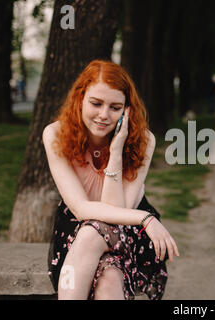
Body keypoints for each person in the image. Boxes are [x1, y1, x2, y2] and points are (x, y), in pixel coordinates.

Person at [43, 60, 179, 300]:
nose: (104, 115)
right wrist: (145, 218)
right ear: (80, 99)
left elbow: (116, 214)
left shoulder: (144, 141)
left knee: (99, 248)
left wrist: (116, 152)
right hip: (76, 230)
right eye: (96, 104)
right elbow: (81, 209)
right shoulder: (55, 134)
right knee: (106, 271)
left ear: (127, 110)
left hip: (127, 232)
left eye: (115, 107)